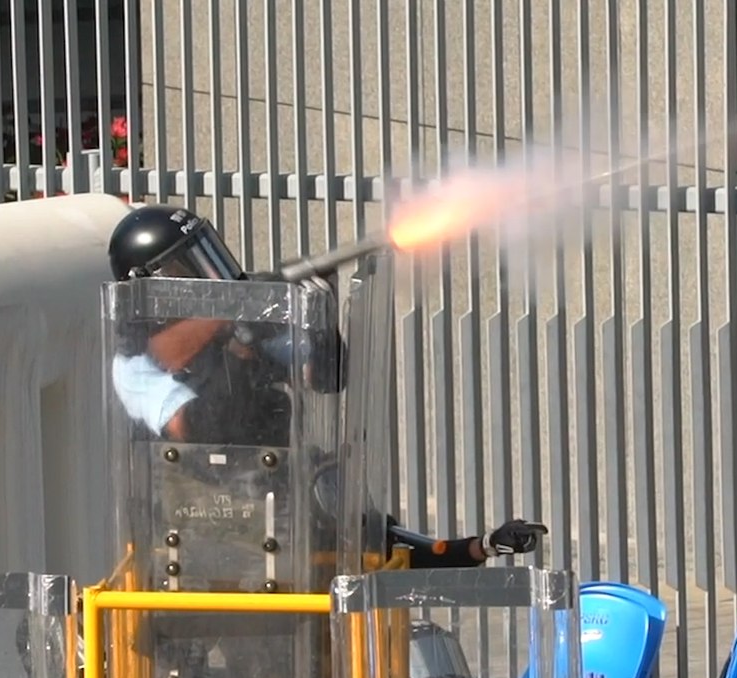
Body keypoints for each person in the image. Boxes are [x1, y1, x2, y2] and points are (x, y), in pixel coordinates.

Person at [106, 204, 548, 570]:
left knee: (363, 534)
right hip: (201, 550)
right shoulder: (133, 365)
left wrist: (318, 314)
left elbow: (326, 376)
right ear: (157, 287)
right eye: (193, 266)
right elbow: (194, 429)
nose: (212, 277)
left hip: (283, 520)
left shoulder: (238, 327)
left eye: (209, 258)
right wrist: (239, 332)